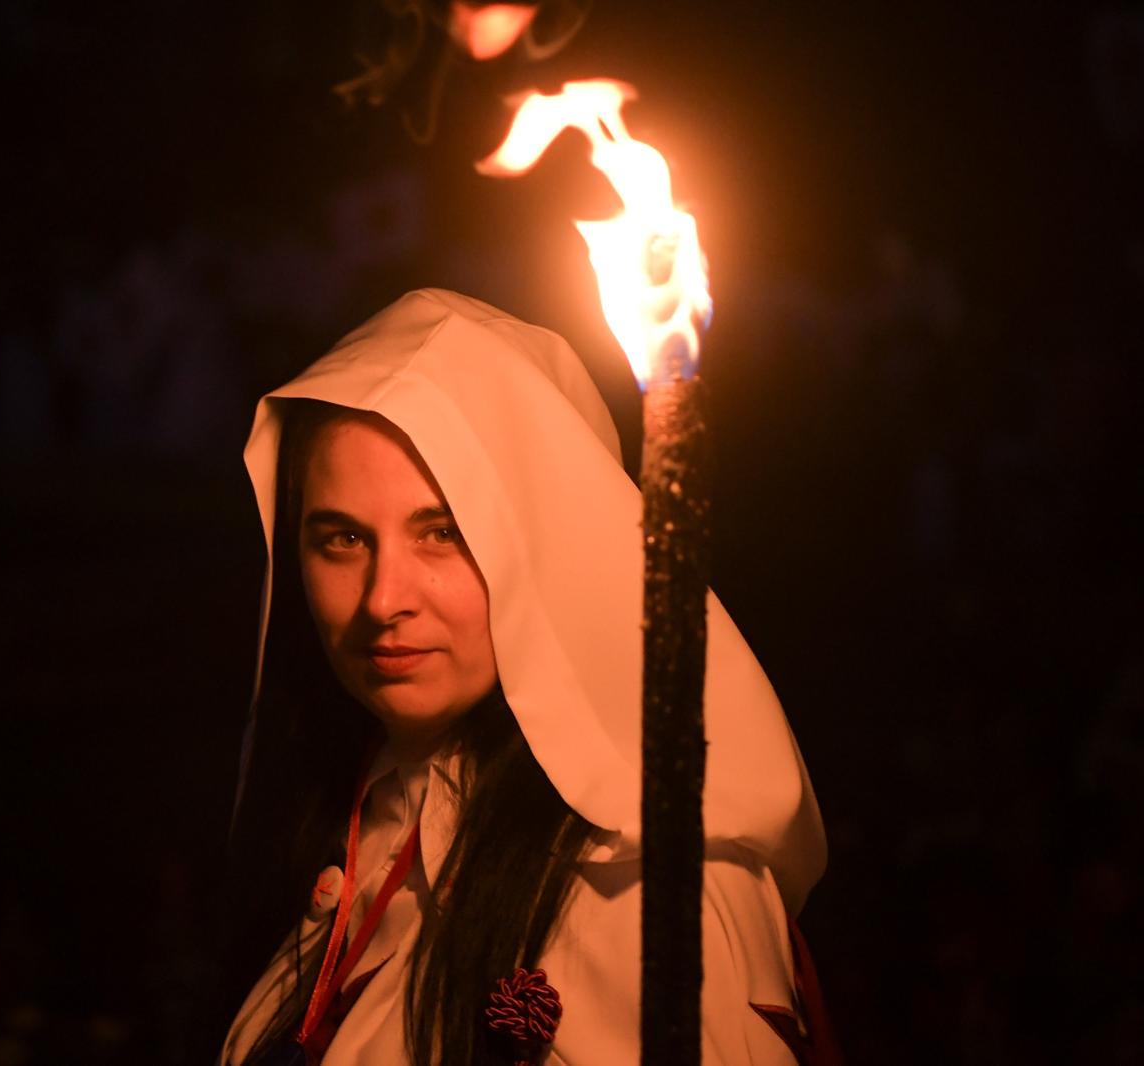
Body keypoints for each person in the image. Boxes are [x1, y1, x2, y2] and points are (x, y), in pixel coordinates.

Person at [216, 289, 829, 1065]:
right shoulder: (355, 813)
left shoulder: (644, 894)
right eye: (341, 539)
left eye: (443, 533)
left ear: (544, 539)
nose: (382, 600)